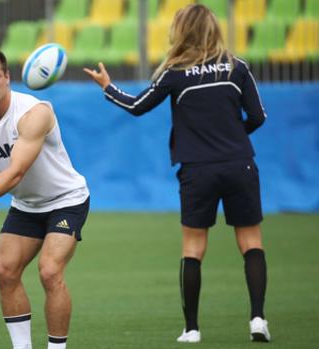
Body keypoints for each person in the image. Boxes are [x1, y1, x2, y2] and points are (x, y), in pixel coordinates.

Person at [84, 4, 269, 344]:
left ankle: (192, 329)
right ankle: (257, 319)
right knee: (250, 243)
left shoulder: (175, 73)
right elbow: (259, 117)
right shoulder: (236, 67)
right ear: (214, 30)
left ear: (180, 32)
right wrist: (233, 138)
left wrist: (107, 86)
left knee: (193, 248)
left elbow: (137, 106)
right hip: (239, 164)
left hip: (198, 170)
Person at [0, 47, 89, 349]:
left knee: (50, 271)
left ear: (7, 77)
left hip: (66, 199)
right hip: (27, 205)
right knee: (4, 271)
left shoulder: (34, 113)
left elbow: (16, 173)